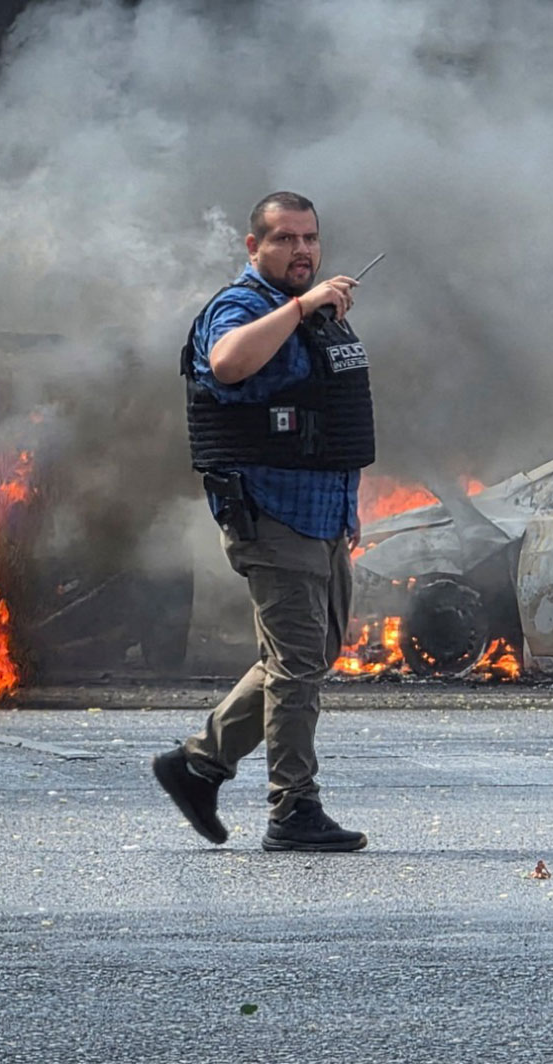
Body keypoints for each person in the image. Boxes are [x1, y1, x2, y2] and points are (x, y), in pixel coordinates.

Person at [154, 191, 372, 853]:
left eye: (309, 239)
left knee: (303, 657)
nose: (301, 251)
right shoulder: (244, 306)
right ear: (254, 247)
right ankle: (292, 808)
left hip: (320, 514)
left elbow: (329, 415)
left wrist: (347, 508)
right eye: (284, 239)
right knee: (298, 663)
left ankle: (198, 764)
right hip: (270, 513)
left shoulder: (315, 317)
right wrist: (302, 307)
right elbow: (227, 363)